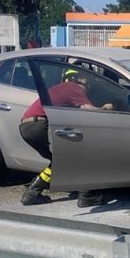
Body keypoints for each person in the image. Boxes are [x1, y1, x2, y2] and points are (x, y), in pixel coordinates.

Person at [19, 68, 113, 207]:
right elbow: (88, 109)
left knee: (59, 162)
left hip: (27, 127)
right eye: (89, 82)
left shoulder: (61, 87)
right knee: (76, 157)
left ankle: (32, 193)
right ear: (83, 80)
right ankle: (86, 195)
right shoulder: (74, 88)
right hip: (38, 125)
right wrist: (106, 108)